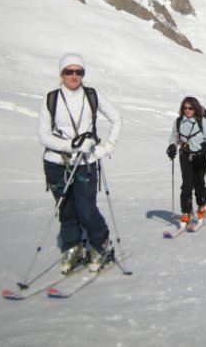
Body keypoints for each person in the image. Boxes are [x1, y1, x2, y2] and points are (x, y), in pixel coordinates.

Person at [38, 53, 123, 274]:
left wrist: (108, 147)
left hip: (86, 163)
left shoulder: (92, 95)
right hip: (56, 163)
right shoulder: (51, 99)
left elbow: (116, 118)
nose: (74, 76)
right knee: (65, 211)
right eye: (69, 71)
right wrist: (72, 146)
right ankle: (73, 247)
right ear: (62, 73)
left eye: (79, 72)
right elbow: (44, 136)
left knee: (86, 209)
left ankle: (100, 243)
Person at [165, 96, 206, 227]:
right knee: (187, 186)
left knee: (199, 184)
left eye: (190, 108)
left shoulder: (202, 122)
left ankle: (201, 209)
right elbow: (174, 138)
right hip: (185, 156)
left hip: (200, 157)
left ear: (195, 109)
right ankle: (186, 213)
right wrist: (172, 146)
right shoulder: (178, 122)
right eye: (185, 108)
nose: (187, 110)